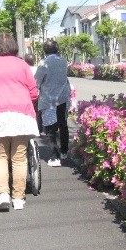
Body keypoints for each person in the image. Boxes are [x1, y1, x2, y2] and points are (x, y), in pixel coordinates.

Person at [0, 32, 39, 211]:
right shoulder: (22, 65)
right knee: (19, 158)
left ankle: (3, 195)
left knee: (0, 156)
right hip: (21, 115)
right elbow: (34, 92)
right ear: (14, 46)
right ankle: (18, 198)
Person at [35, 39, 71, 167]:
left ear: (44, 51)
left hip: (48, 99)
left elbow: (37, 80)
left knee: (51, 129)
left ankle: (55, 156)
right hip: (62, 97)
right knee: (63, 124)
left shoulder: (44, 63)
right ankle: (64, 151)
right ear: (57, 49)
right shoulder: (63, 61)